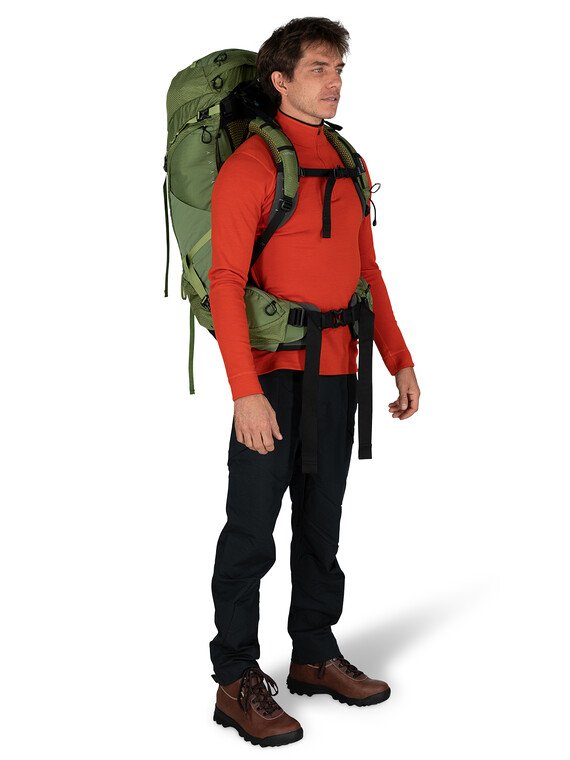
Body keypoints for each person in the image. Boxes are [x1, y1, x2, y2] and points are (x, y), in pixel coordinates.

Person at [207, 17, 420, 747]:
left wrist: (398, 357)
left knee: (322, 526)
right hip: (270, 380)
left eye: (339, 69)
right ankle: (236, 679)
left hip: (337, 374)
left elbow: (367, 271)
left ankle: (314, 654)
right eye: (319, 69)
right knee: (250, 533)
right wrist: (244, 391)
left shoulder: (348, 161)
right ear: (281, 80)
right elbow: (226, 281)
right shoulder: (252, 166)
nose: (334, 82)